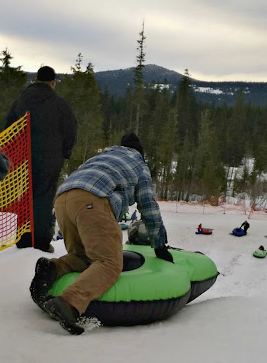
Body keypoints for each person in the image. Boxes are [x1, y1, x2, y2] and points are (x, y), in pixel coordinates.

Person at [29, 133, 172, 335]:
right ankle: (68, 303)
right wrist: (159, 244)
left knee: (83, 257)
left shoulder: (102, 157)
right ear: (140, 152)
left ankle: (52, 269)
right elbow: (149, 207)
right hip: (93, 200)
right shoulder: (139, 165)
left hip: (63, 199)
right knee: (109, 263)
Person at [5, 65, 77, 252]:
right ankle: (41, 240)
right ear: (53, 82)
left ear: (36, 79)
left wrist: (11, 155)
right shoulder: (60, 104)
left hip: (22, 158)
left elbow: (8, 128)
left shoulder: (20, 101)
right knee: (44, 198)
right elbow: (71, 130)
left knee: (24, 196)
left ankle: (23, 237)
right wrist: (65, 152)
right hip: (50, 159)